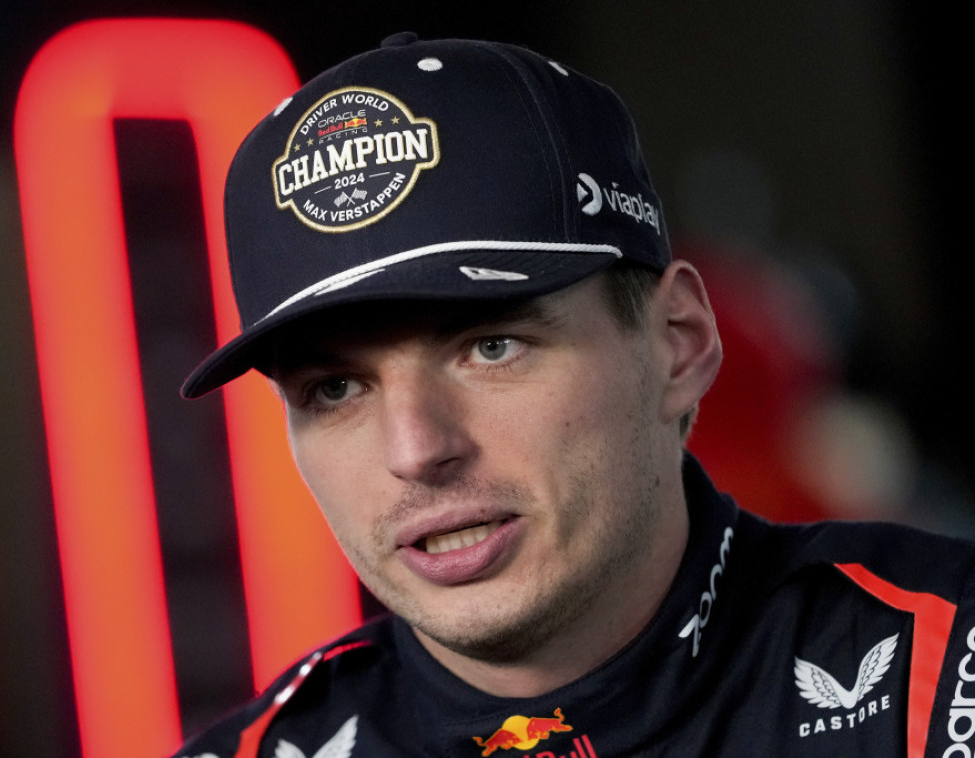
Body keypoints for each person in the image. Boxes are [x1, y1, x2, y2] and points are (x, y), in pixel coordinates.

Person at [173, 33, 975, 758]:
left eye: (491, 347)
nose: (415, 450)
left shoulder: (944, 670)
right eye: (336, 387)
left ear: (678, 343)